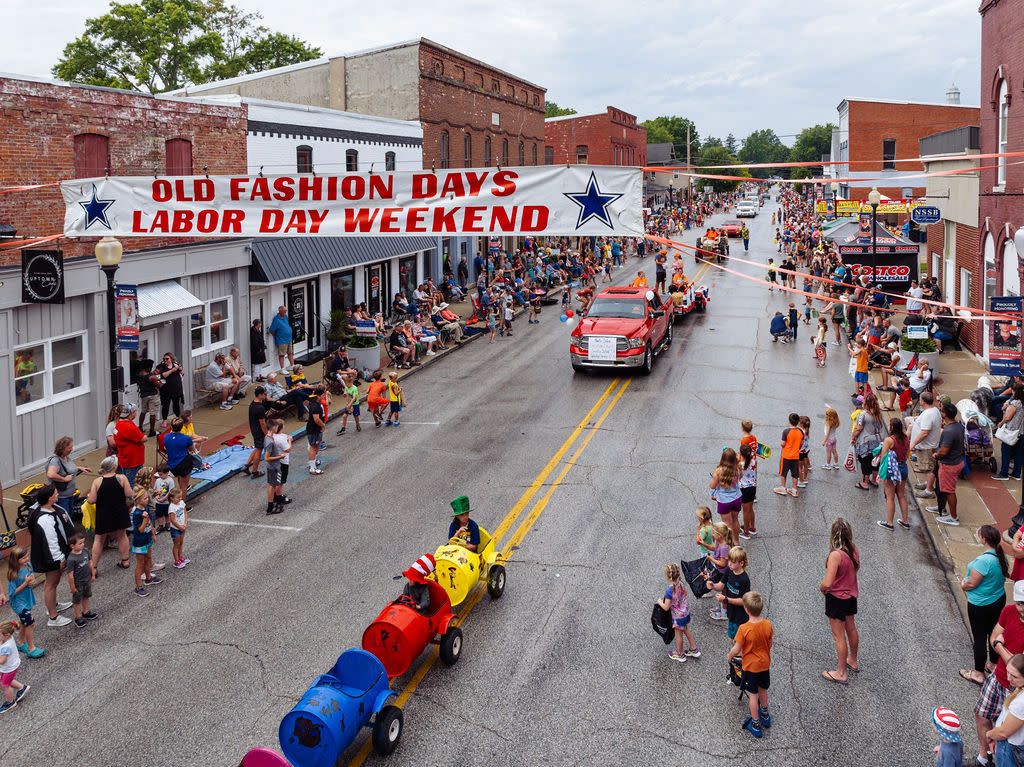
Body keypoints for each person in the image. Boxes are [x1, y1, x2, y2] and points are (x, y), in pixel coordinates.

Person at [958, 526, 1010, 689]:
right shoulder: (1002, 557)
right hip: (998, 600)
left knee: (979, 638)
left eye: (979, 535)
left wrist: (963, 585)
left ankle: (978, 673)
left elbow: (972, 583)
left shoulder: (983, 561)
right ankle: (993, 664)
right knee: (994, 633)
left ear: (984, 539)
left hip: (980, 606)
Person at [978, 596, 1024, 767]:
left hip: (1010, 746)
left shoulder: (1020, 696)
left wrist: (999, 644)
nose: (1022, 607)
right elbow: (993, 637)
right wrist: (997, 643)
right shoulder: (1008, 611)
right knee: (982, 714)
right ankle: (984, 759)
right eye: (1020, 603)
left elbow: (1004, 731)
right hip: (998, 676)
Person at [820, 517, 859, 685]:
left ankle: (841, 672)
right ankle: (853, 660)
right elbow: (857, 567)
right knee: (851, 628)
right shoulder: (853, 548)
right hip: (851, 595)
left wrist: (822, 588)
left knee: (838, 636)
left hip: (836, 598)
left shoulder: (835, 555)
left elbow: (828, 582)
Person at [728, 592, 773, 739]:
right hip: (764, 664)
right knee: (763, 691)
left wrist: (730, 655)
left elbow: (737, 649)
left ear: (746, 610)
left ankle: (755, 724)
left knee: (753, 696)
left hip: (751, 667)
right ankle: (765, 716)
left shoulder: (744, 629)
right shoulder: (768, 624)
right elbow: (769, 644)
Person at [27, 484, 73, 628]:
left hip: (58, 555)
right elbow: (51, 541)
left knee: (54, 582)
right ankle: (53, 617)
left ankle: (54, 605)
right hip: (52, 558)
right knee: (50, 584)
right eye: (55, 493)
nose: (58, 494)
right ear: (48, 498)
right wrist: (60, 559)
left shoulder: (53, 508)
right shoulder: (44, 519)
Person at [87, 456, 132, 576]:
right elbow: (129, 494)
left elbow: (91, 500)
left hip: (103, 514)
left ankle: (94, 567)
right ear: (115, 467)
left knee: (99, 539)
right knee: (122, 535)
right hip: (120, 511)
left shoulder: (97, 481)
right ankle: (125, 560)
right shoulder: (122, 478)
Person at [930, 402, 965, 526]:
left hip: (950, 465)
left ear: (944, 414)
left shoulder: (949, 431)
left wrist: (936, 455)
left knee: (949, 490)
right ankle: (942, 508)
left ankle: (953, 517)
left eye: (941, 411)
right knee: (944, 488)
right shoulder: (957, 426)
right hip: (956, 461)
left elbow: (944, 451)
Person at [6, 547, 44, 658]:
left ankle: (21, 643)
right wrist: (25, 583)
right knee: (30, 622)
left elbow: (33, 580)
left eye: (27, 556)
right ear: (16, 560)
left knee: (24, 623)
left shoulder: (28, 565)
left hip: (27, 599)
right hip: (18, 603)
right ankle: (31, 649)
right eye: (24, 557)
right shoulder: (12, 574)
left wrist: (32, 582)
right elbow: (12, 593)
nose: (27, 558)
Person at [986, 655, 1024, 767]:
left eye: (1015, 676)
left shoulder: (1021, 702)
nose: (1008, 678)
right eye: (1008, 672)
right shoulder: (1019, 687)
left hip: (1009, 748)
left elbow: (1004, 732)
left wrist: (990, 735)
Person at [658, 563, 700, 662]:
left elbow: (666, 607)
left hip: (677, 617)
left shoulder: (669, 591)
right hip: (685, 612)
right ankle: (693, 648)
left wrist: (660, 602)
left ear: (668, 576)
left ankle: (679, 653)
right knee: (686, 629)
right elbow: (685, 594)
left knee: (679, 635)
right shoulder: (681, 583)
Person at [876, 417, 911, 530]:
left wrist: (881, 472)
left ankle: (890, 523)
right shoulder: (906, 439)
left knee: (890, 497)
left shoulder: (889, 440)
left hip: (892, 470)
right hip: (903, 468)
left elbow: (883, 457)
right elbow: (907, 455)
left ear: (891, 427)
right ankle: (905, 521)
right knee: (901, 495)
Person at [45, 436, 89, 520]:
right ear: (62, 448)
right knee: (65, 518)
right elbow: (50, 474)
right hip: (61, 497)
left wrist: (79, 468)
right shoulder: (55, 460)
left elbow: (67, 468)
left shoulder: (66, 457)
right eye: (69, 447)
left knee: (70, 515)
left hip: (69, 495)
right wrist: (64, 479)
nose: (71, 449)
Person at [851, 392, 886, 490]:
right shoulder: (879, 413)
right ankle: (874, 480)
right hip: (878, 442)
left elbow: (858, 429)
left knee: (865, 462)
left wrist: (853, 438)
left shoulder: (863, 415)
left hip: (866, 442)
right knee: (875, 461)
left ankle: (865, 483)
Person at [64, 527, 95, 628]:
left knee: (86, 596)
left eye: (83, 542)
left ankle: (86, 612)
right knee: (77, 601)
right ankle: (78, 617)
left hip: (87, 579)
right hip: (78, 583)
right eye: (80, 543)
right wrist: (72, 587)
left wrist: (93, 574)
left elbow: (90, 563)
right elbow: (70, 575)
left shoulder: (85, 551)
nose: (83, 545)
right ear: (72, 546)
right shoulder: (71, 559)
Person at [130, 488, 159, 597]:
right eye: (145, 498)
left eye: (147, 497)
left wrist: (152, 533)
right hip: (140, 542)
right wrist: (145, 521)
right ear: (138, 500)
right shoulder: (137, 513)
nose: (147, 500)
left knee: (148, 559)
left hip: (147, 539)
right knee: (140, 564)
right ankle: (138, 587)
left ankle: (148, 578)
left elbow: (150, 522)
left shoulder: (145, 508)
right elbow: (140, 529)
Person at [710, 448, 743, 545]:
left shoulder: (719, 471)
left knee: (727, 524)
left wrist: (714, 477)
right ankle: (736, 542)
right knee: (735, 520)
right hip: (736, 498)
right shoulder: (737, 469)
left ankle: (729, 545)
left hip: (724, 501)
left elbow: (712, 486)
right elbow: (739, 478)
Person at [995, 383, 1024, 481]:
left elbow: (1008, 417)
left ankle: (1004, 473)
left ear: (1013, 391)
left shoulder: (1015, 403)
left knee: (1006, 451)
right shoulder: (1022, 403)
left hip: (1011, 431)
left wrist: (1000, 423)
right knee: (1018, 453)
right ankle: (1016, 473)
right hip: (1021, 432)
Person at [113, 403, 146, 487]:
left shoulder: (119, 424)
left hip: (125, 459)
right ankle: (132, 500)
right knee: (133, 483)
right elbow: (143, 438)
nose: (135, 414)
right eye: (135, 412)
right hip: (133, 461)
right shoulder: (128, 427)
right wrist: (142, 438)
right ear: (131, 413)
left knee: (127, 481)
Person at [163, 418, 195, 500]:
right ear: (181, 427)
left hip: (172, 463)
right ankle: (181, 506)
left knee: (180, 481)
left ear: (171, 426)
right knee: (183, 486)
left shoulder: (166, 437)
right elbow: (192, 449)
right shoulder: (186, 438)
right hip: (184, 463)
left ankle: (176, 502)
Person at [0, 620, 28, 714]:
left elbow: (2, 661)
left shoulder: (6, 647)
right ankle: (22, 687)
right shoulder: (9, 638)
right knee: (5, 680)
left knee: (5, 685)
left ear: (6, 634)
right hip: (12, 665)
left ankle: (10, 702)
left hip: (9, 668)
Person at [775, 413, 803, 497]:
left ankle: (783, 488)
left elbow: (783, 443)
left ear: (789, 421)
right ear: (798, 422)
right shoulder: (800, 431)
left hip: (786, 455)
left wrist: (782, 444)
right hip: (795, 456)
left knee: (783, 472)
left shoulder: (786, 431)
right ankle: (794, 489)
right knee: (795, 473)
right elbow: (801, 443)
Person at [243, 387, 268, 478]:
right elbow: (262, 423)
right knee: (259, 450)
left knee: (257, 447)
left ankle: (246, 465)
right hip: (260, 431)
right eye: (265, 394)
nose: (266, 395)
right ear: (260, 395)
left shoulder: (253, 404)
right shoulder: (260, 408)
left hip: (254, 429)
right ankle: (254, 472)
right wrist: (267, 434)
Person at [263, 419, 287, 515]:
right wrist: (280, 456)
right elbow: (267, 458)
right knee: (272, 485)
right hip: (273, 467)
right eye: (276, 427)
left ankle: (271, 505)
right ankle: (270, 507)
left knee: (272, 485)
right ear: (273, 427)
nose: (277, 428)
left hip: (272, 466)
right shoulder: (270, 441)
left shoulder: (268, 438)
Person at [154, 353, 184, 428]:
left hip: (176, 389)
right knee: (165, 406)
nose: (165, 360)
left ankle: (178, 419)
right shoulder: (161, 366)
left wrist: (180, 369)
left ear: (171, 359)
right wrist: (172, 370)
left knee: (176, 405)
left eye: (167, 359)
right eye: (164, 359)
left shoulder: (176, 364)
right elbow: (162, 375)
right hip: (165, 390)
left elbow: (182, 374)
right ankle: (164, 420)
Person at [136, 360, 161, 436]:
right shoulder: (149, 377)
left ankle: (140, 427)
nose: (151, 369)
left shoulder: (138, 375)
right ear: (148, 367)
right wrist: (159, 380)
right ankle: (152, 431)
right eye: (150, 367)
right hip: (152, 396)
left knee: (143, 411)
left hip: (143, 395)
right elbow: (159, 385)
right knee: (152, 413)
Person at [306, 387, 328, 475]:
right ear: (318, 396)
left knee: (317, 445)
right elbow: (316, 419)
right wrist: (323, 426)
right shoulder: (315, 406)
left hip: (317, 429)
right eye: (323, 395)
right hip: (313, 429)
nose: (324, 396)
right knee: (313, 447)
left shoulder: (317, 404)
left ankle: (313, 461)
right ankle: (312, 468)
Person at [738, 443, 757, 539]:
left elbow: (739, 476)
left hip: (744, 488)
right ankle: (752, 527)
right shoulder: (754, 462)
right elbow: (751, 459)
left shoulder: (740, 465)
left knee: (745, 511)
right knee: (750, 508)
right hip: (753, 487)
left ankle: (745, 532)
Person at [268, 305, 294, 370]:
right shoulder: (276, 319)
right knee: (282, 355)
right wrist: (277, 335)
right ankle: (282, 368)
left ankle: (292, 365)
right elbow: (271, 330)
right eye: (284, 311)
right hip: (282, 340)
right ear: (280, 311)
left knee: (290, 353)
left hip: (289, 339)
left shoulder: (285, 317)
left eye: (286, 310)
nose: (286, 312)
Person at [168, 488, 189, 568]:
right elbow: (172, 520)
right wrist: (180, 527)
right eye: (178, 497)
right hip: (176, 529)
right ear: (172, 498)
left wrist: (185, 523)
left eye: (180, 497)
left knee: (181, 543)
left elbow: (185, 512)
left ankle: (180, 557)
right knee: (176, 544)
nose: (180, 499)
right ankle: (176, 561)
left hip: (182, 526)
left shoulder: (181, 503)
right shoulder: (171, 507)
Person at [151, 463, 172, 534]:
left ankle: (168, 523)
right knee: (159, 514)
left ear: (167, 473)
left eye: (161, 474)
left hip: (166, 501)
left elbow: (170, 491)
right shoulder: (158, 480)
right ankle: (160, 525)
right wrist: (157, 497)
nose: (160, 476)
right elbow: (155, 490)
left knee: (167, 513)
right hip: (158, 501)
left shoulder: (170, 480)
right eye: (159, 474)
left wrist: (164, 498)